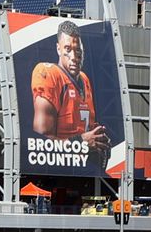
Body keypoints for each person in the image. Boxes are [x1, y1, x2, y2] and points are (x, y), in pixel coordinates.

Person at [32, 19, 108, 154]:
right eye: (68, 49)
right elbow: (40, 139)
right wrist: (80, 143)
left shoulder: (84, 79)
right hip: (59, 165)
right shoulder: (49, 74)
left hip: (83, 164)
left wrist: (98, 138)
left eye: (78, 50)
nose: (74, 57)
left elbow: (86, 128)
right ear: (58, 49)